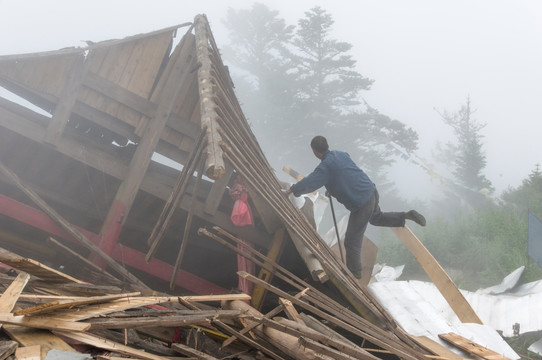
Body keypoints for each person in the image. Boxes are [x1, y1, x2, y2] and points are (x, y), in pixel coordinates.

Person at [284, 136, 426, 279]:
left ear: (314, 151)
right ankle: (406, 215)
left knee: (352, 240)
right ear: (328, 144)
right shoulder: (341, 154)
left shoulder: (325, 167)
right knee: (377, 218)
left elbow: (310, 182)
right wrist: (332, 188)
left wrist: (292, 190)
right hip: (370, 191)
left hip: (361, 204)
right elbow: (345, 174)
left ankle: (355, 275)